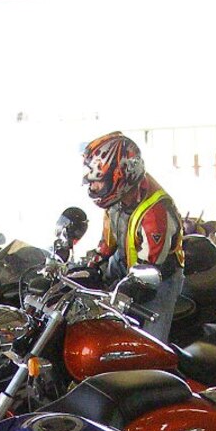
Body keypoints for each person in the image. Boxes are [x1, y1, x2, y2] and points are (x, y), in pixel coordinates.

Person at [80, 131, 185, 339]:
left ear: (122, 177)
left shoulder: (155, 214)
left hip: (158, 277)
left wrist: (119, 296)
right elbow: (107, 244)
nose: (93, 187)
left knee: (149, 345)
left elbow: (150, 272)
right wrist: (86, 269)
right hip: (127, 262)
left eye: (99, 181)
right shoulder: (117, 200)